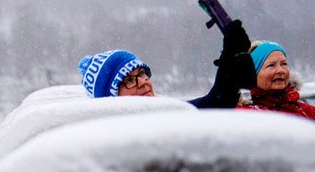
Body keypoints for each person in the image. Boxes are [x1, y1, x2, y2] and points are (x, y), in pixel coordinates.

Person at [77, 20, 253, 108]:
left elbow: (212, 104)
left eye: (142, 73)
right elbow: (213, 105)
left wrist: (230, 56)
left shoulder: (163, 111)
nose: (142, 82)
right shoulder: (127, 135)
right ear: (110, 98)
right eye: (128, 80)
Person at [237, 41, 315, 120]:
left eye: (284, 64)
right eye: (271, 65)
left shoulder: (310, 113)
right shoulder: (243, 116)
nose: (281, 70)